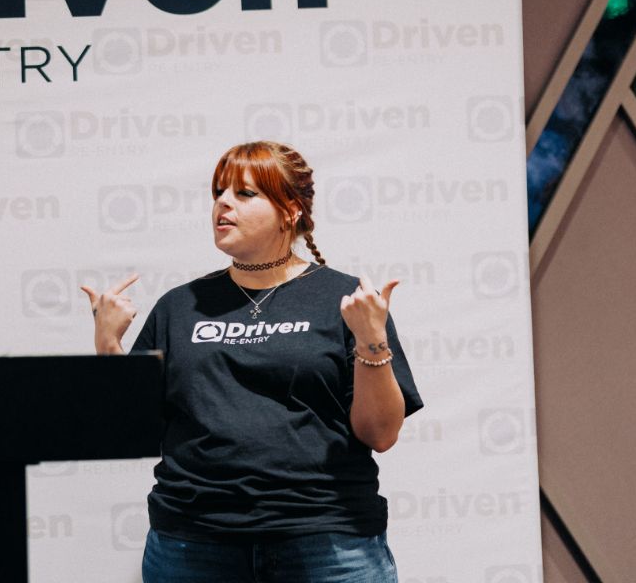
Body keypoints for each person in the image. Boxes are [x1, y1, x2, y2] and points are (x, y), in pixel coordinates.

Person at [81, 141, 424, 583]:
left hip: (327, 541)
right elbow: (130, 431)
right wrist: (108, 346)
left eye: (245, 194)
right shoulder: (178, 307)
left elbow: (380, 434)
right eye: (219, 192)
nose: (222, 203)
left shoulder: (346, 301)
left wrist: (371, 338)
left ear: (290, 211)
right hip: (192, 544)